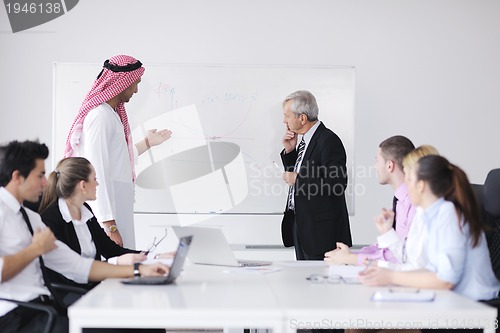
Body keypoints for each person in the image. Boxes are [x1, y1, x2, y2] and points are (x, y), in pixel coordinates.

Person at [0, 140, 169, 332]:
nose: (45, 182)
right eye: (39, 175)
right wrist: (35, 249)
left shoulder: (31, 219)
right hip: (16, 318)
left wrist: (139, 270)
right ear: (17, 177)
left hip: (46, 309)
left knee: (147, 326)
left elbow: (77, 265)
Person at [64, 54, 172, 247]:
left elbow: (119, 158)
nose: (136, 90)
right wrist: (109, 225)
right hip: (108, 214)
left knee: (125, 261)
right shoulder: (100, 117)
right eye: (135, 83)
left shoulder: (110, 115)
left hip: (117, 204)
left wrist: (147, 143)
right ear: (122, 83)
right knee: (115, 263)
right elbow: (96, 170)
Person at [359, 155, 500, 301]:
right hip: (451, 302)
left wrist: (391, 276)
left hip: (474, 308)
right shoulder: (431, 214)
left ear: (421, 186)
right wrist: (385, 272)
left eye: (409, 180)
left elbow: (446, 280)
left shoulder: (448, 213)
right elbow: (422, 267)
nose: (406, 187)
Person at [38, 157, 149, 292]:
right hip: (70, 294)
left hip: (93, 289)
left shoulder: (85, 211)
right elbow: (73, 271)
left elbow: (111, 250)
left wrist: (151, 256)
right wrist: (121, 264)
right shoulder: (50, 219)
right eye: (95, 179)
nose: (97, 184)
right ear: (83, 185)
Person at [280, 90, 351, 260]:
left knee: (320, 284)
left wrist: (298, 179)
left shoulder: (328, 141)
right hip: (303, 228)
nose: (284, 121)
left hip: (322, 234)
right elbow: (304, 173)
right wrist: (290, 151)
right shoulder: (305, 140)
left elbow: (337, 183)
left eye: (287, 116)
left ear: (302, 118)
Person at [324, 135, 416, 265]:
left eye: (377, 161)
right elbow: (385, 247)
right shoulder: (400, 201)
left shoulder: (414, 203)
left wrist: (351, 259)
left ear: (390, 166)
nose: (375, 167)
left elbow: (402, 256)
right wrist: (350, 255)